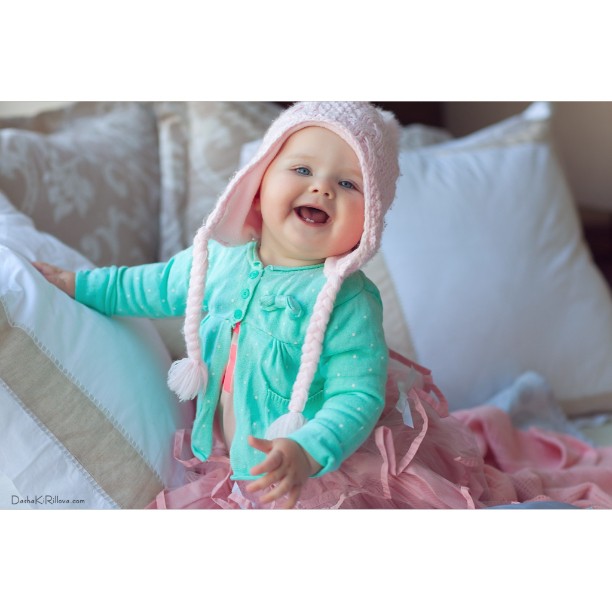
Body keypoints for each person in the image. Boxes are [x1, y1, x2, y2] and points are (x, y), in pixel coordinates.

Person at [34, 101, 485, 509]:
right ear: (258, 182)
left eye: (349, 183)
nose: (322, 188)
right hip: (231, 460)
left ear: (370, 223)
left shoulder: (350, 300)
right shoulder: (218, 260)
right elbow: (149, 285)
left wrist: (307, 450)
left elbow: (356, 395)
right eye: (302, 169)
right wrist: (78, 284)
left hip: (314, 474)